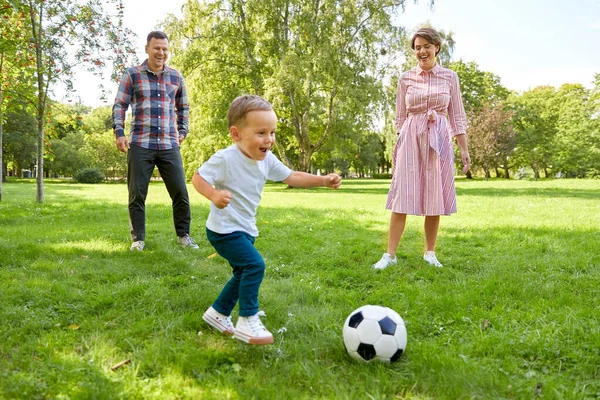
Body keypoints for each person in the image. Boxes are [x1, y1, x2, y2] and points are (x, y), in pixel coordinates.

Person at [192, 95, 341, 345]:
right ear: (236, 134)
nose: (269, 139)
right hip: (224, 230)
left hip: (245, 229)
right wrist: (214, 194)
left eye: (272, 132)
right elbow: (198, 177)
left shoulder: (266, 159)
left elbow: (292, 176)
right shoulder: (225, 158)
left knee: (242, 272)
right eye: (261, 132)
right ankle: (248, 319)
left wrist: (323, 181)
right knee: (254, 265)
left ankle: (217, 313)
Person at [373, 27, 470, 270]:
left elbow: (457, 115)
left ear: (436, 47)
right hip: (411, 138)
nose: (422, 51)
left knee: (434, 195)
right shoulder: (406, 78)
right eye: (417, 48)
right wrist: (401, 145)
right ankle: (390, 255)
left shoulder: (450, 77)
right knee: (401, 196)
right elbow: (399, 116)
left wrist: (464, 148)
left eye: (426, 46)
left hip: (438, 138)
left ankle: (430, 253)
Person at [112, 31, 198, 251]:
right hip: (141, 143)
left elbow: (184, 107)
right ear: (147, 49)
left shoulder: (176, 77)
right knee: (137, 194)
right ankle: (138, 240)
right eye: (157, 48)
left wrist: (183, 130)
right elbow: (120, 105)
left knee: (180, 192)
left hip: (169, 144)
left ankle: (184, 236)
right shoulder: (132, 74)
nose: (161, 52)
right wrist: (119, 132)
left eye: (165, 49)